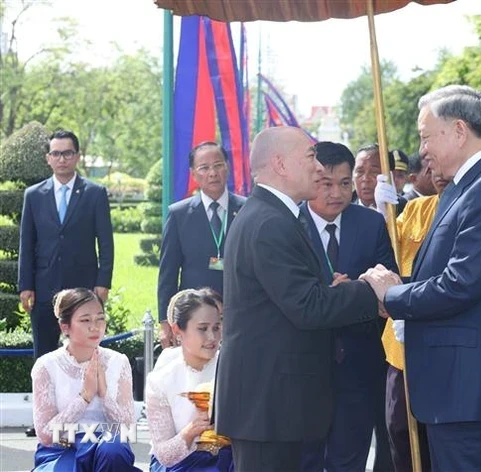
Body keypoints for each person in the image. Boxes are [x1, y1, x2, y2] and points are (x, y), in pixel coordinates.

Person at [361, 85, 481, 472]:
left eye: (425, 136)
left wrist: (394, 295)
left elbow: (460, 283)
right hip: (456, 388)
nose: (422, 150)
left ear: (457, 131)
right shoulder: (467, 187)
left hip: (472, 389)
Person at [214, 126, 382, 472]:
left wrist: (330, 291)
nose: (319, 168)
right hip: (268, 406)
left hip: (276, 404)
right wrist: (371, 288)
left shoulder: (273, 216)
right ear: (280, 163)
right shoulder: (270, 222)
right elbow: (308, 307)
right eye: (310, 157)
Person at [299, 141, 397, 472]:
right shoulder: (289, 224)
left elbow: (388, 282)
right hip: (305, 367)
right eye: (326, 184)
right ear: (311, 178)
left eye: (344, 183)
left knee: (348, 460)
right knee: (305, 459)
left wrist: (353, 291)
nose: (337, 193)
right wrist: (327, 295)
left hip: (360, 365)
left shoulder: (370, 224)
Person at [376, 169, 450, 472]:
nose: (441, 173)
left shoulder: (477, 210)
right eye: (433, 166)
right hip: (402, 347)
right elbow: (389, 254)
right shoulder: (418, 209)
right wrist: (381, 215)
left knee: (440, 439)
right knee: (400, 430)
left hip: (446, 346)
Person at [19, 130, 114, 359]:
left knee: (84, 351)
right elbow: (27, 242)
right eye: (56, 153)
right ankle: (44, 396)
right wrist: (25, 285)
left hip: (84, 286)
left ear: (77, 156)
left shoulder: (94, 193)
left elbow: (106, 243)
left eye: (68, 153)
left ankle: (86, 395)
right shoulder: (33, 195)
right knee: (44, 352)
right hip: (44, 286)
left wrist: (103, 282)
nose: (62, 159)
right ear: (48, 158)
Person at [31, 288, 140, 471]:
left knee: (113, 451)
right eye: (85, 320)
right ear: (65, 327)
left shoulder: (118, 362)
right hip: (63, 449)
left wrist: (104, 393)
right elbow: (45, 435)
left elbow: (128, 429)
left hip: (106, 448)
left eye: (100, 318)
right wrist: (85, 397)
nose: (95, 326)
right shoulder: (47, 365)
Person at [158, 141, 246, 348]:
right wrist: (165, 321)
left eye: (218, 165)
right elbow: (168, 272)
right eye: (204, 168)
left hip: (239, 310)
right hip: (194, 314)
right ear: (193, 174)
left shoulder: (246, 209)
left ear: (227, 168)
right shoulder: (179, 214)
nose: (212, 173)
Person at [146, 289, 232, 472]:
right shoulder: (161, 380)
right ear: (178, 330)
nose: (212, 337)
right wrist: (192, 429)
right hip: (182, 464)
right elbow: (164, 456)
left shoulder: (233, 368)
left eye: (216, 328)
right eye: (203, 329)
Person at [353, 143, 407, 215]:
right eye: (360, 172)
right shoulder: (342, 210)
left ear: (391, 176)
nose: (365, 179)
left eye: (374, 172)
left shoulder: (405, 210)